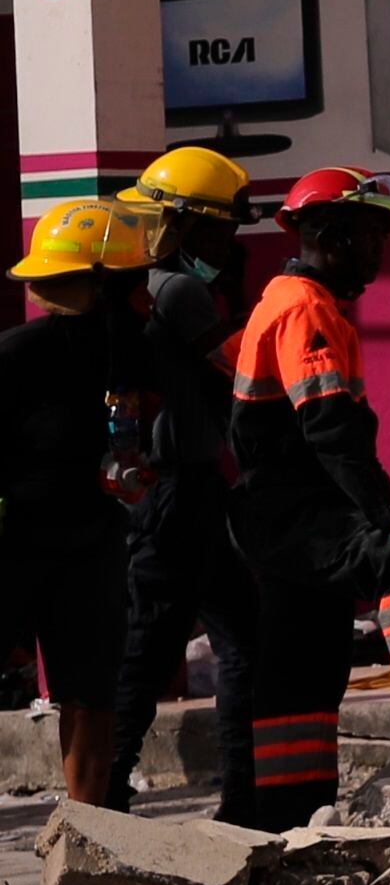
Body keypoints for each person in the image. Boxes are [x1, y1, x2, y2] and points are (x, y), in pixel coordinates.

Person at [225, 169, 390, 821]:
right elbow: (331, 429)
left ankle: (288, 809)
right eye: (372, 235)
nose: (380, 250)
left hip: (285, 514)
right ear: (333, 235)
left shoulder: (299, 302)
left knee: (305, 661)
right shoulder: (304, 308)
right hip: (295, 514)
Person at [0, 199, 156, 807]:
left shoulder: (132, 352)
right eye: (136, 278)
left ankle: (86, 837)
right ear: (101, 285)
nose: (147, 290)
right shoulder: (16, 357)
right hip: (14, 545)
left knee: (91, 694)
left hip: (90, 548)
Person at [114, 147, 260, 787]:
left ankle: (239, 793)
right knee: (154, 649)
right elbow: (241, 368)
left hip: (185, 491)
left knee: (238, 634)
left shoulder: (149, 287)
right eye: (220, 229)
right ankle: (107, 793)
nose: (228, 243)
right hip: (180, 495)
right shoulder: (178, 290)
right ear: (182, 225)